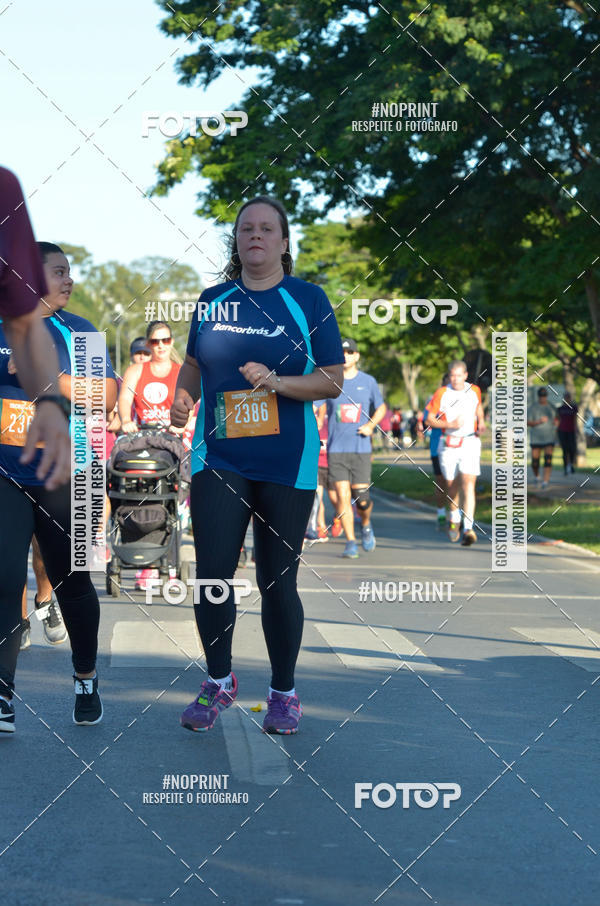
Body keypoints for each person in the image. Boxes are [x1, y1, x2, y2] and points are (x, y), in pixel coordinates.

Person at [170, 195, 343, 735]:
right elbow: (194, 365)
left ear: (284, 242)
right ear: (237, 240)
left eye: (267, 229)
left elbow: (332, 378)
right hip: (219, 456)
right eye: (247, 229)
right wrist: (182, 396)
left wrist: (278, 382)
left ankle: (283, 693)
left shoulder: (308, 300)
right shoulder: (212, 300)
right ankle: (219, 682)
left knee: (277, 582)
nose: (256, 236)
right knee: (212, 577)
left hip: (286, 461)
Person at [0, 242, 117, 732]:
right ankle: (3, 695)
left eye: (70, 273)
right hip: (5, 472)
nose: (69, 281)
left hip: (65, 475)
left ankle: (86, 678)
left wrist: (48, 380)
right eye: (59, 272)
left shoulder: (80, 331)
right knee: (5, 581)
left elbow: (106, 397)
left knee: (72, 581)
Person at [0, 167, 70, 489]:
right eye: (59, 273)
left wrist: (52, 404)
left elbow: (25, 326)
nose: (68, 281)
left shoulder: (5, 189)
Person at [325, 338, 386, 558]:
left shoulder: (368, 381)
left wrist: (371, 425)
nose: (345, 356)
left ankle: (366, 525)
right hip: (336, 450)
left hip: (360, 449)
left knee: (362, 498)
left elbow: (381, 407)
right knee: (342, 496)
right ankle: (350, 541)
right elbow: (316, 407)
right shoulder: (330, 381)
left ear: (357, 356)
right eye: (342, 352)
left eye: (350, 352)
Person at [425, 360, 485, 546]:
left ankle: (468, 528)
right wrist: (449, 425)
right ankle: (454, 518)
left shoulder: (474, 390)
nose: (456, 379)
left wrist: (481, 421)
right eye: (452, 375)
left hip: (470, 442)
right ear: (449, 376)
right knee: (451, 486)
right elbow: (429, 420)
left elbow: (478, 408)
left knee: (468, 482)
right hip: (449, 444)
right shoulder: (442, 393)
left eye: (459, 375)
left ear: (466, 375)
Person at [118, 321, 180, 432]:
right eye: (155, 342)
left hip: (173, 439)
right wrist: (126, 420)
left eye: (166, 340)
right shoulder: (134, 371)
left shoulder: (181, 372)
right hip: (142, 438)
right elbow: (125, 399)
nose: (161, 346)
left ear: (172, 342)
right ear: (148, 344)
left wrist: (181, 425)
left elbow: (189, 405)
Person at [423, 374, 449, 530]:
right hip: (437, 447)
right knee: (441, 482)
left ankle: (456, 515)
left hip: (459, 446)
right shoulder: (434, 401)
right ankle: (441, 514)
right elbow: (427, 422)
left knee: (456, 482)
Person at [527, 387, 557, 488]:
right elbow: (527, 422)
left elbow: (558, 418)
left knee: (548, 459)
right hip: (536, 437)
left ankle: (545, 481)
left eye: (544, 396)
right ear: (538, 396)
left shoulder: (551, 407)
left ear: (546, 396)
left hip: (549, 437)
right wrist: (539, 422)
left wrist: (556, 422)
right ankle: (537, 476)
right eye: (541, 395)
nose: (542, 398)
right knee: (535, 461)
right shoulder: (533, 407)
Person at [556, 391, 578, 475]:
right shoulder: (560, 409)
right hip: (562, 431)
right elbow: (558, 420)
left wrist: (576, 430)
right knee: (565, 450)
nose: (567, 399)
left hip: (571, 431)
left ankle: (571, 465)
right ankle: (565, 468)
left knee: (572, 449)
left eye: (568, 397)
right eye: (566, 397)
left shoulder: (574, 407)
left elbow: (575, 419)